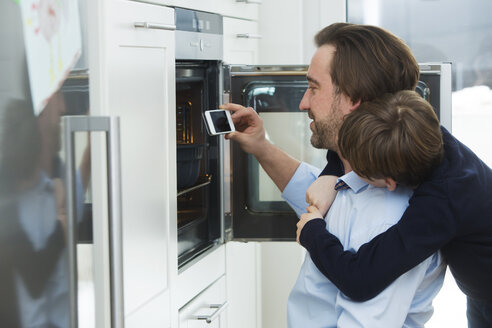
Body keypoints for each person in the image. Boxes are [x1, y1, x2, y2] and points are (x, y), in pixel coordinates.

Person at [221, 22, 492, 328]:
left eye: (313, 87)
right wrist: (264, 148)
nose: (303, 103)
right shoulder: (387, 151)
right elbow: (326, 205)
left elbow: (362, 279)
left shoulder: (407, 207)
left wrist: (313, 233)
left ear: (354, 100)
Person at [288, 90, 446, 327]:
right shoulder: (370, 177)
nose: (349, 167)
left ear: (389, 182)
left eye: (360, 164)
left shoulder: (388, 221)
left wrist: (314, 235)